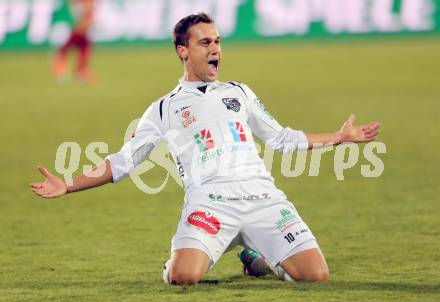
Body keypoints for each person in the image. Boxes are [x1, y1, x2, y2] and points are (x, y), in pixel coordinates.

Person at [32, 13, 380, 285]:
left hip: (263, 199)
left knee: (316, 275)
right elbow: (123, 162)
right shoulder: (164, 108)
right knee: (183, 278)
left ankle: (254, 257)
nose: (215, 49)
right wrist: (69, 184)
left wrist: (339, 137)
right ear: (183, 51)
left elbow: (281, 138)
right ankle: (187, 255)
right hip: (209, 205)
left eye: (217, 41)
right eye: (205, 43)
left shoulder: (240, 93)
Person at [52, 0, 95, 82]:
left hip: (81, 20)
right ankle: (61, 59)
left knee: (84, 44)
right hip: (76, 22)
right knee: (81, 41)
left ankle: (81, 70)